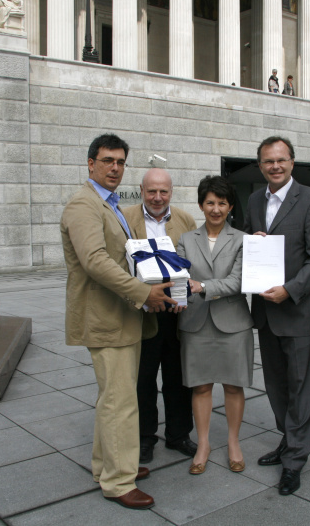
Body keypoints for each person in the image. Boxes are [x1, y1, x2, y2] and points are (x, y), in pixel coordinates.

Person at [60, 133, 176, 510]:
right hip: (106, 319)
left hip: (119, 317)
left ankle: (106, 466)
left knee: (111, 399)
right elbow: (95, 262)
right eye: (108, 160)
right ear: (90, 163)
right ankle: (118, 481)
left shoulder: (107, 204)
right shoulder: (84, 204)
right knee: (121, 403)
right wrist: (144, 293)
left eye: (121, 162)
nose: (115, 168)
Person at [243, 136, 310, 496]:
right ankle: (288, 439)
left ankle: (295, 460)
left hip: (298, 310)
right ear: (260, 165)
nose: (275, 166)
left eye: (281, 160)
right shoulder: (252, 200)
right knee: (276, 386)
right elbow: (251, 246)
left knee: (302, 387)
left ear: (292, 162)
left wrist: (290, 289)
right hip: (266, 312)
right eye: (268, 161)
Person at [176, 176, 255, 475]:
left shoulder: (243, 240)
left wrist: (203, 285)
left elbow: (238, 282)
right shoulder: (185, 239)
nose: (216, 209)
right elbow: (180, 279)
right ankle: (204, 444)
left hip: (233, 323)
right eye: (210, 202)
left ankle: (234, 442)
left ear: (230, 206)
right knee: (201, 387)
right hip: (195, 322)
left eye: (222, 203)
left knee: (234, 386)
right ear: (201, 205)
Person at [121, 168, 198, 464]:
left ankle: (178, 435)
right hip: (141, 315)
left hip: (177, 315)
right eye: (151, 191)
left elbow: (193, 262)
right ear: (141, 190)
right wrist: (140, 297)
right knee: (143, 380)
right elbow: (119, 263)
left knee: (178, 379)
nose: (157, 197)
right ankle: (144, 438)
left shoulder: (185, 220)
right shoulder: (125, 218)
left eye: (163, 191)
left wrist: (186, 296)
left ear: (171, 192)